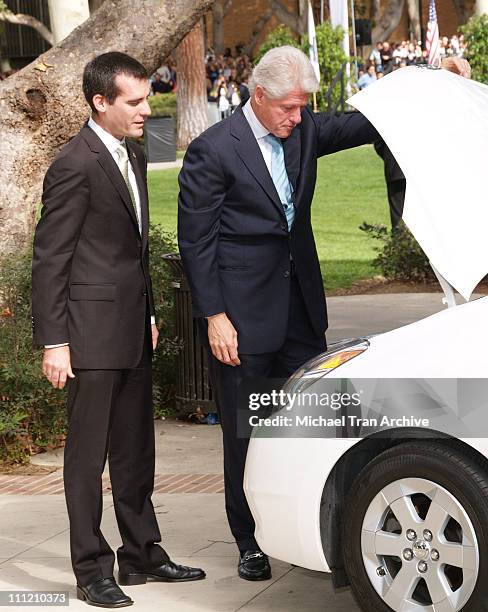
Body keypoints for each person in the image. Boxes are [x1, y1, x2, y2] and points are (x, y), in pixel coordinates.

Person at [178, 46, 471, 583]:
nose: (298, 117)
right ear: (257, 96)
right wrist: (214, 316)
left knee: (316, 424)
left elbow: (368, 123)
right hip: (242, 319)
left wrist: (435, 79)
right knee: (248, 430)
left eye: (303, 107)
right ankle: (250, 542)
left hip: (302, 312)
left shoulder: (306, 129)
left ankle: (302, 525)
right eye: (288, 108)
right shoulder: (212, 152)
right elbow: (196, 243)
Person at [32, 52, 205, 609]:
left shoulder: (131, 151)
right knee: (87, 458)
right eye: (133, 101)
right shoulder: (73, 164)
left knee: (136, 451)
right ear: (99, 102)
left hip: (132, 329)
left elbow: (131, 251)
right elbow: (50, 259)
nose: (145, 108)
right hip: (86, 337)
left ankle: (142, 554)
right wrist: (55, 342)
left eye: (146, 96)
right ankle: (91, 568)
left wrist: (151, 313)